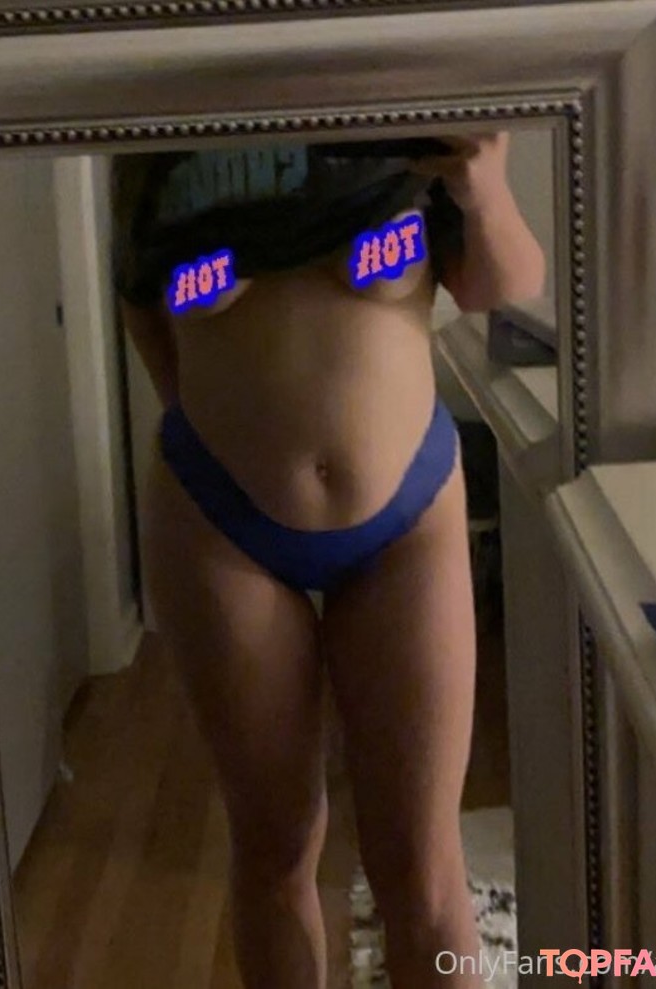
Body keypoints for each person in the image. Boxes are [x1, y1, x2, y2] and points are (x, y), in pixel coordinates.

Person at [112, 133, 545, 989]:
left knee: (423, 865)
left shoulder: (401, 111)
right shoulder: (166, 126)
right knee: (274, 845)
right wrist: (234, 425)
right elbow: (146, 311)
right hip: (220, 518)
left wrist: (486, 190)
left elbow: (506, 285)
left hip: (406, 515)